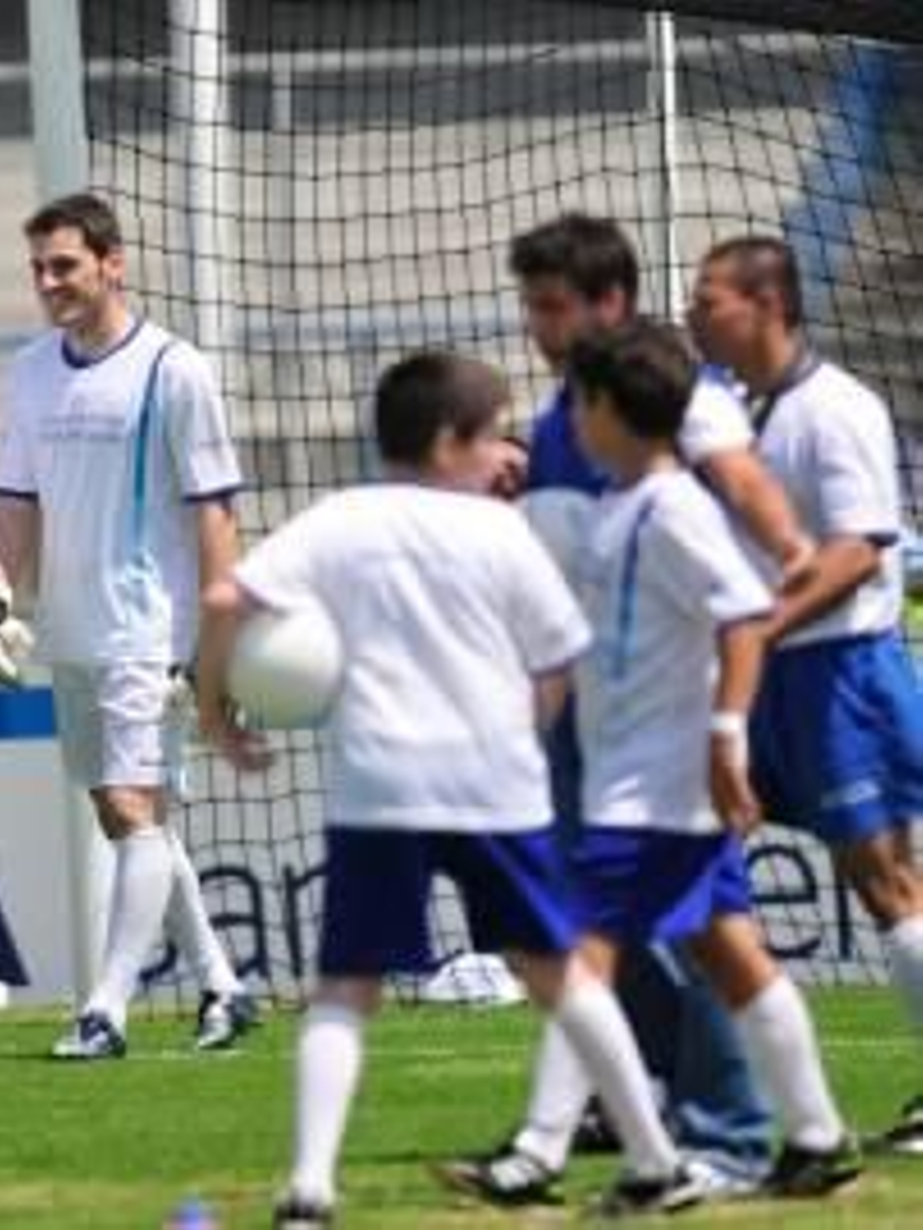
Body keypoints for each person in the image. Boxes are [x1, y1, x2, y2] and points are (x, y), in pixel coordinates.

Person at [198, 352, 696, 1227]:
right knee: (560, 974)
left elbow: (223, 596)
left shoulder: (343, 519)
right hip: (495, 783)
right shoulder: (504, 533)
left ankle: (308, 1190)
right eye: (492, 434)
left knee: (346, 987)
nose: (506, 453)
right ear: (446, 441)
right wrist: (527, 726)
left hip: (380, 784)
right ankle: (655, 1162)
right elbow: (559, 660)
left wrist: (215, 712)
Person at [439, 319, 861, 1207]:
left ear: (610, 409)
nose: (569, 424)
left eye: (579, 404)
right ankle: (819, 1136)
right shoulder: (622, 508)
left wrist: (727, 736)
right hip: (639, 779)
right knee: (730, 951)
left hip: (657, 786)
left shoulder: (674, 509)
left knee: (577, 955)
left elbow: (744, 617)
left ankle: (567, 1157)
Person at [503, 212, 806, 1193]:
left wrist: (792, 557)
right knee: (646, 925)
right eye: (531, 307)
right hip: (593, 707)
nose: (538, 326)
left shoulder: (679, 398)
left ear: (609, 303)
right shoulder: (566, 411)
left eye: (553, 307)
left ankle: (716, 1127)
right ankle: (662, 1103)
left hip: (663, 719)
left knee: (677, 928)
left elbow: (740, 478)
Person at [0, 191, 257, 1060]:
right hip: (72, 629)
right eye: (37, 268)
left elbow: (216, 514)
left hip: (151, 631)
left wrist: (216, 645)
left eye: (64, 265)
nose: (48, 282)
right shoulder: (29, 371)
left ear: (112, 263)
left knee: (136, 809)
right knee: (123, 816)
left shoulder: (175, 369)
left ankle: (107, 1008)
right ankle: (222, 984)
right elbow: (14, 502)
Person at [690, 235, 923, 1153]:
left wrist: (762, 626)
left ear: (768, 305)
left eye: (711, 297)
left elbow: (860, 548)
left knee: (886, 882)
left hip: (840, 673)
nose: (694, 311)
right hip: (770, 671)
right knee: (688, 861)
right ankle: (667, 1090)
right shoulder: (733, 408)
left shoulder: (836, 408)